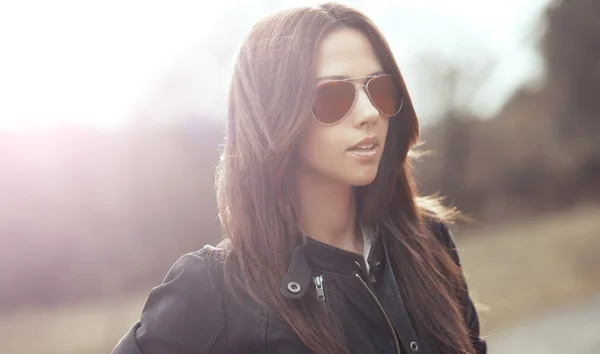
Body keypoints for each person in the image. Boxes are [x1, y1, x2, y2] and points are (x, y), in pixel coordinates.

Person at [112, 2, 487, 354]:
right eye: (333, 95)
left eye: (379, 88)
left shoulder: (428, 242)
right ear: (275, 115)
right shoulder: (214, 291)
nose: (369, 112)